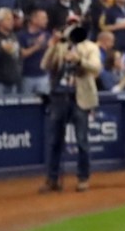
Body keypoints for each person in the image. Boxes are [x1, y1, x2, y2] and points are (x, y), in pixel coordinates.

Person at [41, 22, 101, 191]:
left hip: (79, 97)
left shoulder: (90, 47)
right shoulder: (60, 46)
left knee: (82, 141)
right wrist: (53, 46)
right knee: (55, 140)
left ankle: (83, 178)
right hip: (59, 96)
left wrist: (79, 60)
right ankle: (52, 179)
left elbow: (96, 68)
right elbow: (45, 65)